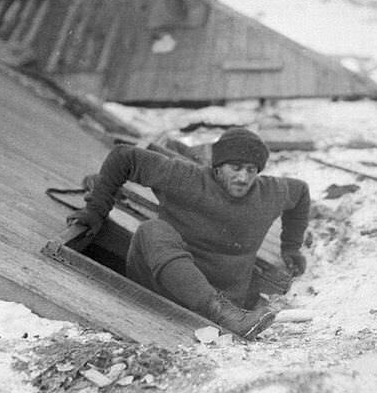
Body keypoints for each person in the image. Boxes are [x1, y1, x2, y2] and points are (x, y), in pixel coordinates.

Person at [68, 127, 310, 339]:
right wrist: (96, 211)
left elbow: (300, 193)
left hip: (229, 303)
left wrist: (291, 247)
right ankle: (221, 311)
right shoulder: (187, 178)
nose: (243, 177)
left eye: (251, 170)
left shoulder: (269, 192)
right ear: (217, 167)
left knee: (156, 232)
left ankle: (225, 312)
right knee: (151, 230)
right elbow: (124, 157)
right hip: (160, 284)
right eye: (235, 168)